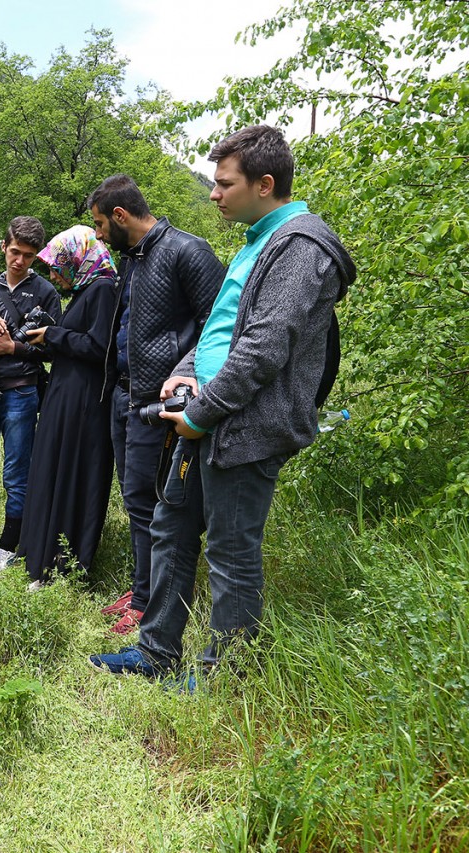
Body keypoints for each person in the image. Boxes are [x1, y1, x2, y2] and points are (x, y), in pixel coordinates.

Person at [90, 125, 355, 681]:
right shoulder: (257, 240)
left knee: (232, 556)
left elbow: (263, 349)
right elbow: (219, 329)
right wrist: (185, 373)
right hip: (207, 419)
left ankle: (225, 676)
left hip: (244, 427)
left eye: (223, 183)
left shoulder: (302, 247)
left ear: (264, 183)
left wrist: (200, 412)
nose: (213, 193)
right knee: (171, 529)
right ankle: (157, 654)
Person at [87, 175, 225, 634]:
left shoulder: (189, 251)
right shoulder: (132, 259)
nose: (100, 235)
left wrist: (184, 371)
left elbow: (218, 326)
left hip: (159, 401)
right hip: (125, 396)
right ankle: (141, 590)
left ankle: (148, 605)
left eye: (102, 225)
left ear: (122, 216)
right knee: (133, 498)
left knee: (151, 503)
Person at [18, 226, 119, 591]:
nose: (53, 275)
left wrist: (54, 335)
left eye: (57, 266)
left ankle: (62, 567)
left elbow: (101, 348)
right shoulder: (84, 290)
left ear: (78, 260)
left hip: (84, 402)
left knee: (72, 476)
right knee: (52, 471)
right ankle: (40, 557)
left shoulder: (104, 289)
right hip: (65, 395)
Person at [0, 216, 62, 574]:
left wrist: (14, 348)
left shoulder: (46, 294)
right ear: (3, 247)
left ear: (36, 256)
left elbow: (52, 350)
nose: (19, 260)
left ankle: (9, 545)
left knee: (16, 471)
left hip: (22, 391)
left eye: (28, 255)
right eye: (14, 252)